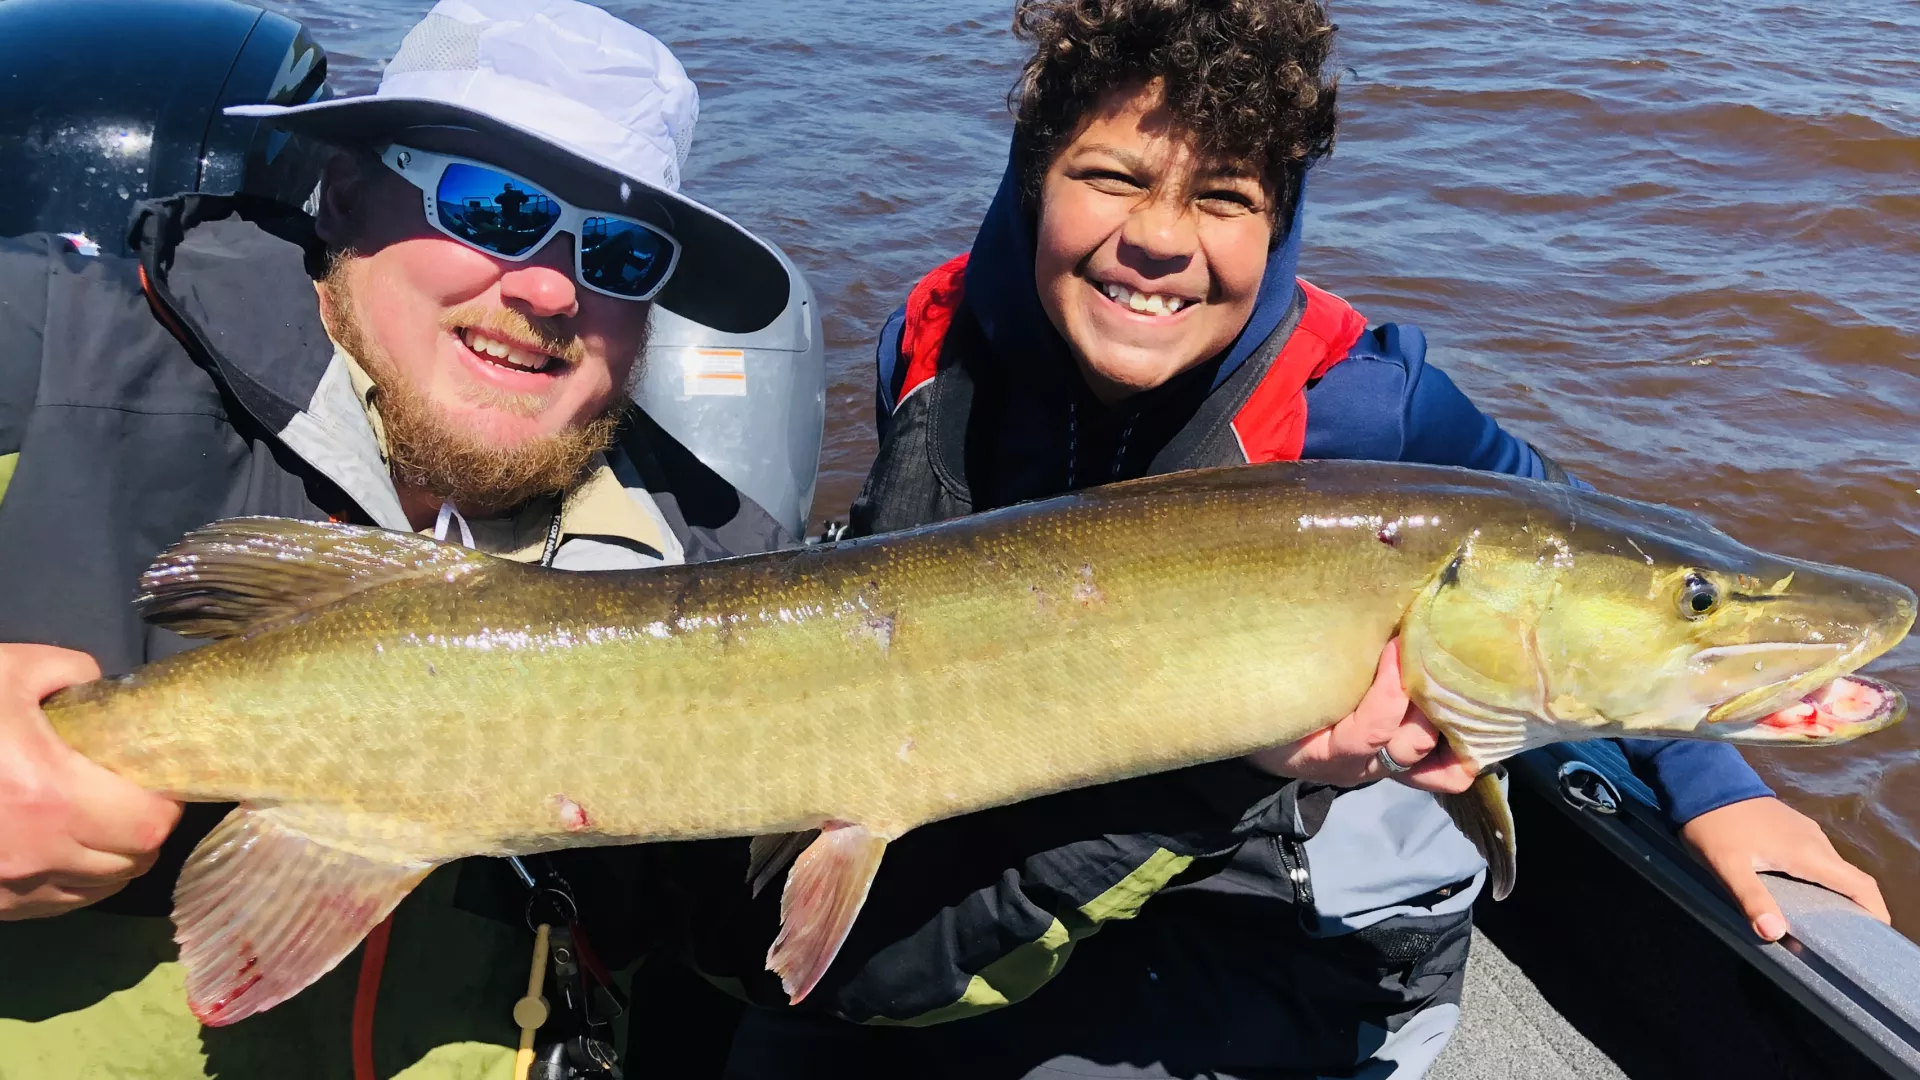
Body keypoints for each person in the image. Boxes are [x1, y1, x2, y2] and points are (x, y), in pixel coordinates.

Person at [699, 1, 1892, 1077]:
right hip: (1038, 831)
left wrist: (1714, 787)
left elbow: (1579, 545)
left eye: (1225, 199)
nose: (1160, 241)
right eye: (1110, 177)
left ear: (1280, 224)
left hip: (1279, 919)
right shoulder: (932, 342)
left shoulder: (1374, 405)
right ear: (1032, 181)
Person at [0, 1, 797, 1076]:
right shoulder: (51, 351)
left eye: (620, 250)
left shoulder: (719, 565)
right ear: (346, 196)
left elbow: (792, 957)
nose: (554, 287)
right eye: (495, 205)